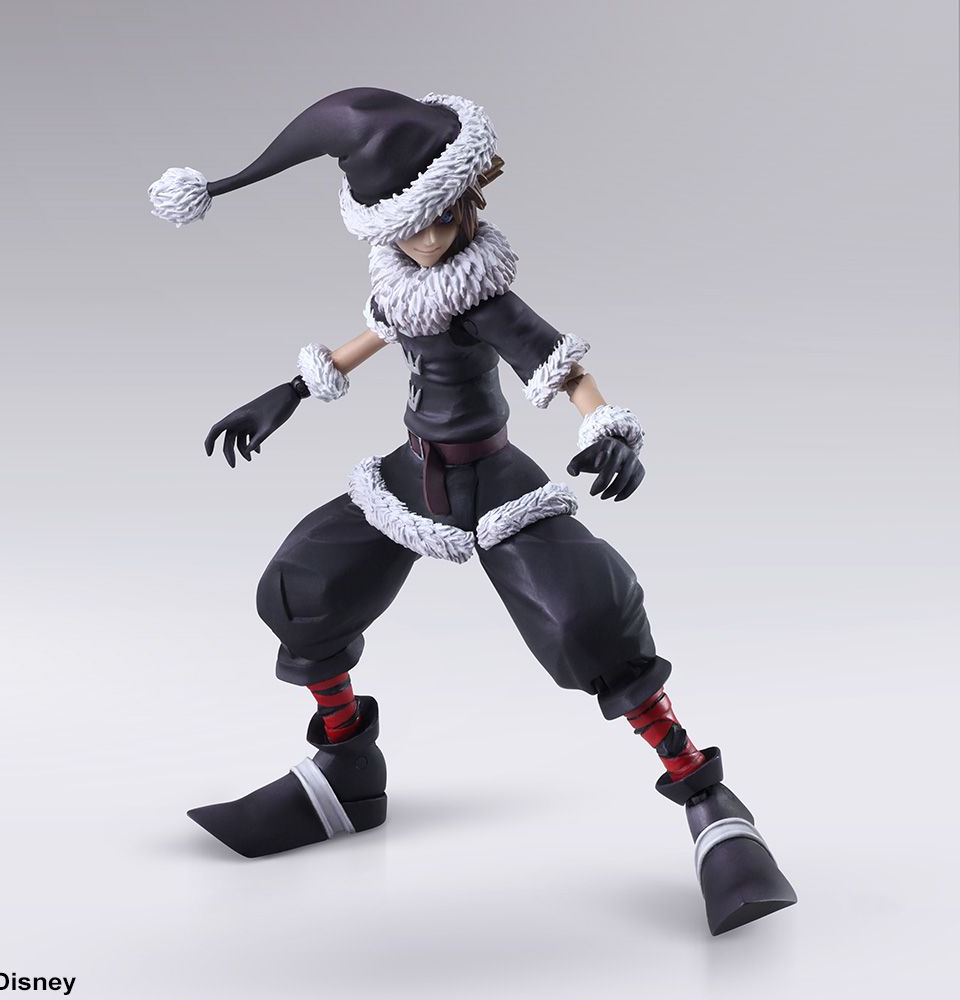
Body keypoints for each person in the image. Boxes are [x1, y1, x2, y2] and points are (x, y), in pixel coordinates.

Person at [149, 88, 796, 934]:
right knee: (303, 584)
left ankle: (712, 809)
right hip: (412, 475)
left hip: (493, 480)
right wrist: (290, 392)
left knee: (587, 621)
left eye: (437, 218)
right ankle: (345, 769)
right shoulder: (400, 286)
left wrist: (608, 430)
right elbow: (373, 336)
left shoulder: (483, 293)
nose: (425, 240)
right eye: (404, 227)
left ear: (463, 199)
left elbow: (559, 368)